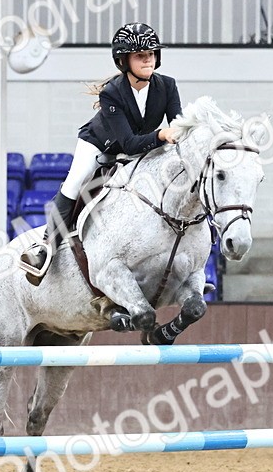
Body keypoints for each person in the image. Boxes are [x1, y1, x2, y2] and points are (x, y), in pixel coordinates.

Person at [19, 22, 182, 285]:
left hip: (142, 146)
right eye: (140, 55)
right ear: (124, 60)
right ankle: (45, 247)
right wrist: (162, 135)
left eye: (151, 54)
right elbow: (128, 144)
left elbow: (178, 126)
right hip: (100, 144)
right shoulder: (112, 92)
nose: (148, 59)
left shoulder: (168, 86)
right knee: (74, 183)